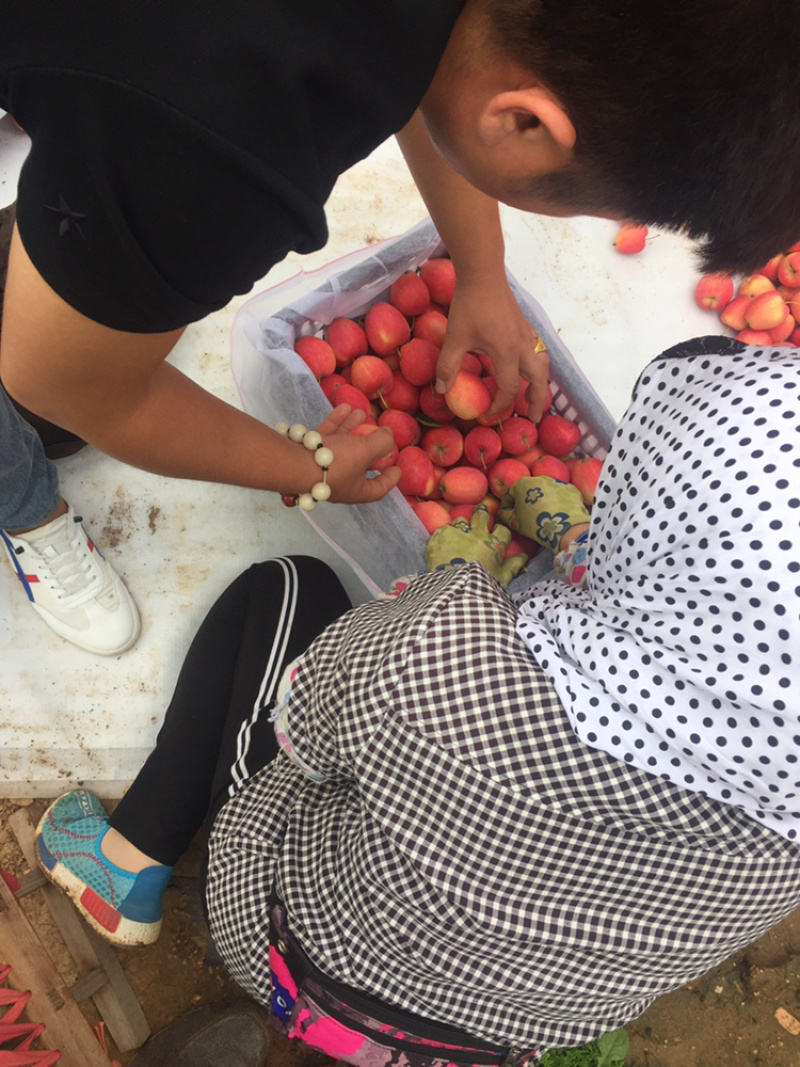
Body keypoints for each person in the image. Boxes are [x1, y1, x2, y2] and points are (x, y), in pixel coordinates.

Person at [35, 336, 800, 1063]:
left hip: (316, 963)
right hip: (468, 1044)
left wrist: (450, 583)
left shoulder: (450, 651)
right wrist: (570, 536)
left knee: (291, 589)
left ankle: (124, 860)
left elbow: (305, 726)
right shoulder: (787, 844)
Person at [2, 0, 800, 651]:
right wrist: (307, 467)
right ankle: (25, 496)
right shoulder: (216, 156)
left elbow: (420, 57)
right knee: (46, 384)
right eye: (583, 205)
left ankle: (72, 227)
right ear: (525, 123)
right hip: (159, 132)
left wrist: (480, 271)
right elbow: (55, 377)